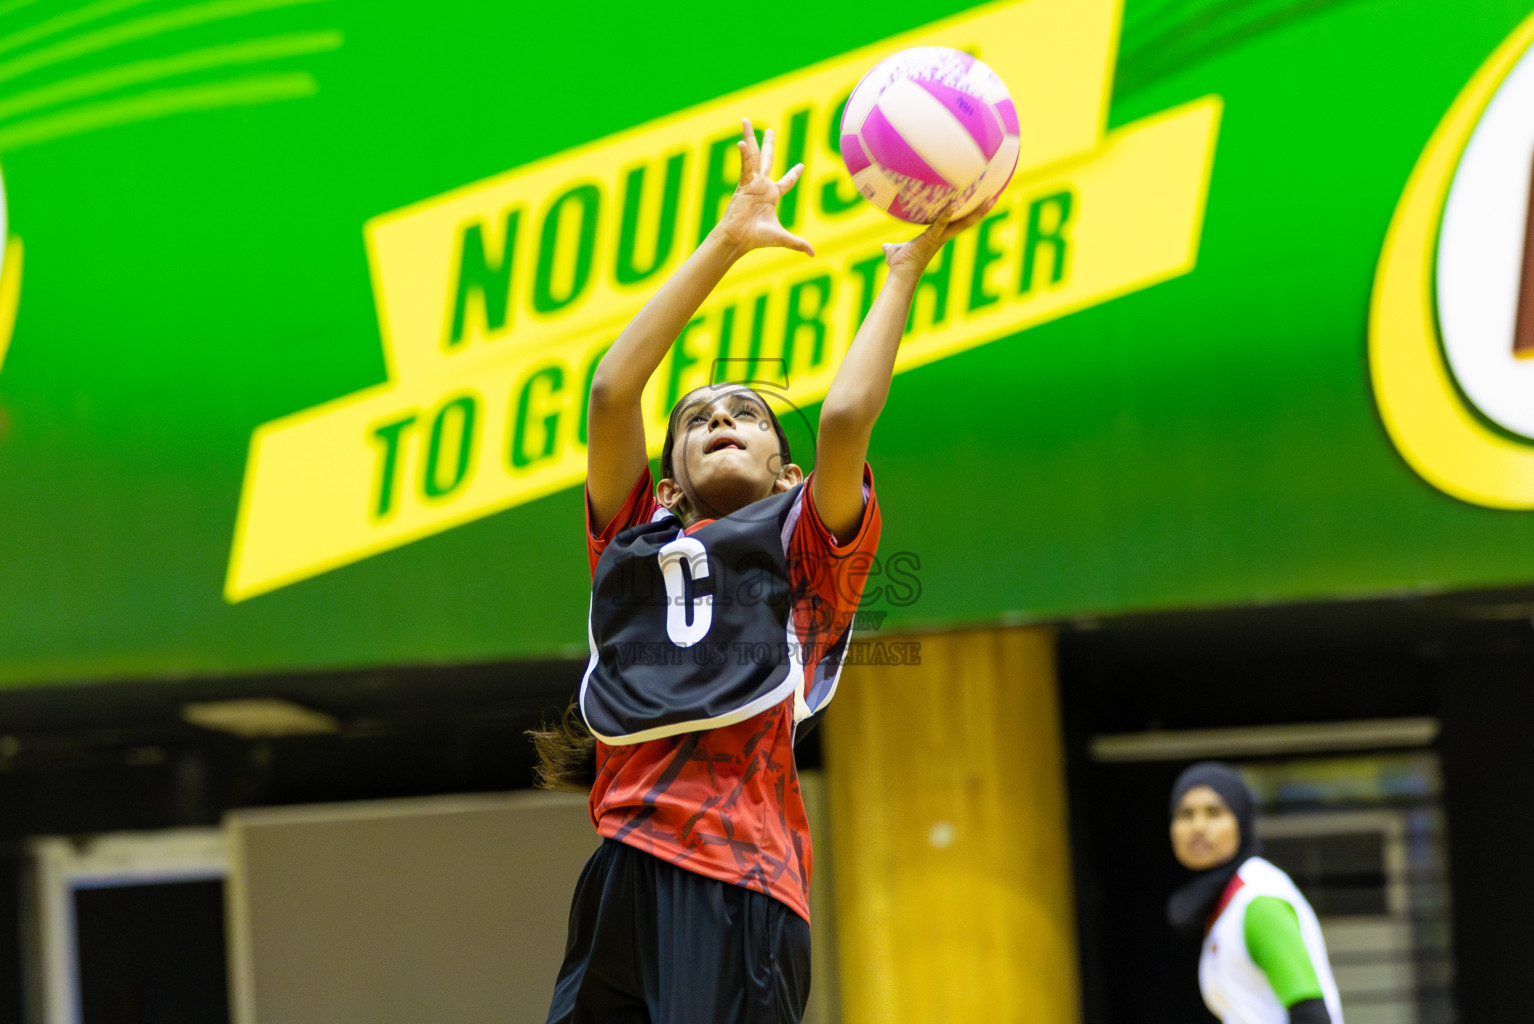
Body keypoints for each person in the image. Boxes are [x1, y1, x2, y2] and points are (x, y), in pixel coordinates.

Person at [529, 119, 994, 1024]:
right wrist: (730, 238)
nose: (720, 419)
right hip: (620, 868)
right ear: (668, 485)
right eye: (698, 418)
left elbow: (846, 417)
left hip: (735, 871)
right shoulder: (634, 537)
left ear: (787, 476)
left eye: (745, 413)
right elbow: (612, 390)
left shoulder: (806, 548)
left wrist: (902, 273)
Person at [1168, 762, 1345, 1024]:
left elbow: (1310, 1012)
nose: (1198, 827)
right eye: (1185, 814)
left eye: (1214, 813)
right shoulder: (1225, 903)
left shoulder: (1258, 898)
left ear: (1241, 821)